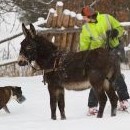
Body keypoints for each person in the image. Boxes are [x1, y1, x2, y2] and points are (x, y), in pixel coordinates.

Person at [80, 6, 130, 116]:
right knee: (97, 77)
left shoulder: (107, 18)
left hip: (114, 48)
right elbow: (84, 46)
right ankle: (92, 106)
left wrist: (115, 32)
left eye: (84, 17)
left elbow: (121, 29)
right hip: (98, 54)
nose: (84, 19)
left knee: (115, 74)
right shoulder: (86, 28)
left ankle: (123, 99)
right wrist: (85, 58)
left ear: (88, 16)